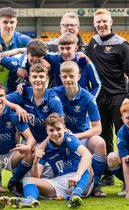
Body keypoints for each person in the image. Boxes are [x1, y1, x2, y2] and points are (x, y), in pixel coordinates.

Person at [86, 9, 129, 186]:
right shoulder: (92, 43)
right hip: (99, 99)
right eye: (98, 22)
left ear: (111, 22)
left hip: (119, 98)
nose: (101, 25)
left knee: (123, 137)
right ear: (94, 24)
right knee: (104, 137)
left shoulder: (122, 44)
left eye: (104, 21)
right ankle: (108, 174)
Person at [9, 113, 93, 208]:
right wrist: (36, 160)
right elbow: (36, 176)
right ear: (47, 132)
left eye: (58, 129)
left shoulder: (69, 138)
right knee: (28, 180)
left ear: (64, 128)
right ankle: (30, 199)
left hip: (81, 181)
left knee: (87, 162)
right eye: (51, 130)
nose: (55, 133)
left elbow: (87, 154)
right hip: (60, 183)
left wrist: (77, 175)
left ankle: (75, 196)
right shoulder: (45, 148)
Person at [5, 63, 63, 194]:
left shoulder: (53, 100)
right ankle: (14, 181)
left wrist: (42, 146)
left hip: (49, 141)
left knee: (44, 175)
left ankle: (21, 180)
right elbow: (3, 99)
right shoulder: (24, 93)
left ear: (46, 78)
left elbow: (59, 127)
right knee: (26, 151)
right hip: (30, 140)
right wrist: (17, 107)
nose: (38, 80)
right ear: (30, 79)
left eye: (41, 76)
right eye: (35, 76)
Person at [52, 61, 107, 197]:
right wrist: (22, 87)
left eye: (71, 76)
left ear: (79, 77)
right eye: (65, 76)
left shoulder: (87, 98)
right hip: (60, 136)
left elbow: (97, 128)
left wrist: (77, 136)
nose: (68, 79)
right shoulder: (54, 92)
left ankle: (96, 183)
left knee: (100, 143)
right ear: (60, 77)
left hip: (81, 136)